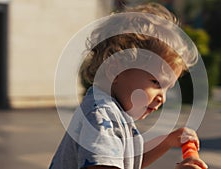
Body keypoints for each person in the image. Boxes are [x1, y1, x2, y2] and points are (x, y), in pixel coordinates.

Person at [49, 2, 208, 169]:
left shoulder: (112, 111)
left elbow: (128, 162)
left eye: (168, 87)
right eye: (156, 82)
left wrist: (167, 141)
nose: (162, 97)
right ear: (116, 69)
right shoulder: (101, 115)